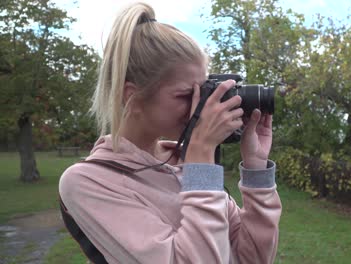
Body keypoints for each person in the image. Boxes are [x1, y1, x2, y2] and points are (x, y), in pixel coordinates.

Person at [59, 2, 282, 263]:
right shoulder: (88, 182)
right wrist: (200, 160)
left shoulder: (186, 164)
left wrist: (255, 170)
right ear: (131, 96)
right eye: (186, 95)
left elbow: (253, 258)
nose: (200, 106)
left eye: (203, 92)